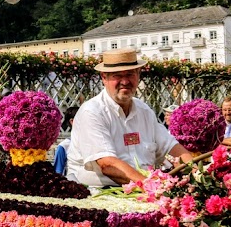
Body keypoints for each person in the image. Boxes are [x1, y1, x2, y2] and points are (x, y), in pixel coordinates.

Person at [67, 49, 194, 188]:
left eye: (130, 74)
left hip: (143, 190)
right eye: (117, 76)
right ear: (104, 77)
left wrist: (198, 173)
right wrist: (151, 187)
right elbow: (107, 164)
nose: (125, 81)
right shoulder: (92, 112)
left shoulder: (144, 111)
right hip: (98, 194)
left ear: (138, 75)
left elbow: (172, 148)